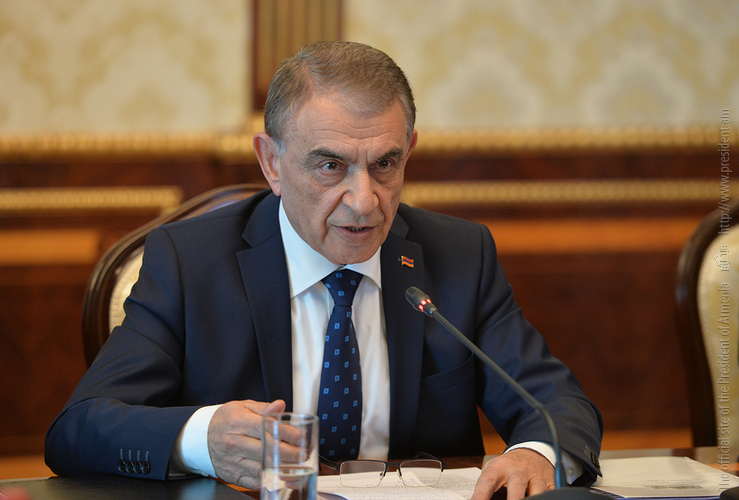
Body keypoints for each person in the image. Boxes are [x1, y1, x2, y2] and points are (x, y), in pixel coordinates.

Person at [45, 41, 602, 499]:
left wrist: (537, 453)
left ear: (409, 151)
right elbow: (79, 427)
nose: (364, 201)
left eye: (385, 164)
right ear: (272, 162)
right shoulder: (191, 263)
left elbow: (558, 405)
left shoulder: (459, 254)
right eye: (331, 165)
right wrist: (200, 438)